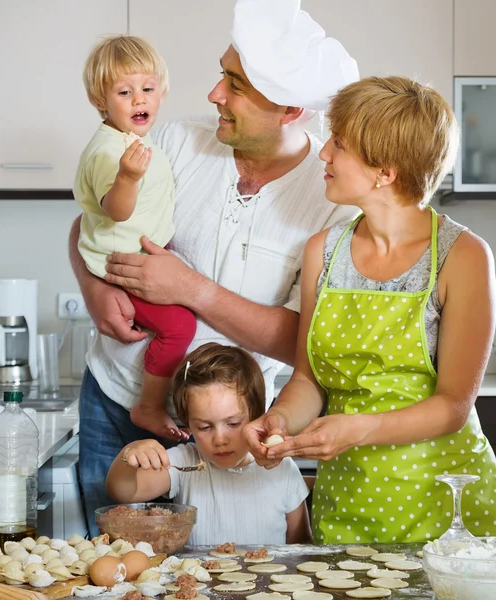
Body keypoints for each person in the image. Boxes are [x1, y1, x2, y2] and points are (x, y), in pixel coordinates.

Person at [70, 0, 359, 536]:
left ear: (290, 110)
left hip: (225, 432)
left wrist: (192, 289)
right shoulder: (178, 141)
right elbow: (96, 218)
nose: (213, 94)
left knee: (225, 574)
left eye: (235, 84)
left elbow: (305, 340)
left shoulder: (333, 199)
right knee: (112, 577)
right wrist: (91, 287)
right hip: (115, 397)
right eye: (221, 74)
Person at [244, 76, 496, 544]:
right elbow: (309, 379)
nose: (323, 152)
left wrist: (357, 429)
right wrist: (281, 420)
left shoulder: (462, 255)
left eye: (340, 144)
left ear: (384, 171)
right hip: (348, 498)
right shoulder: (322, 252)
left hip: (443, 505)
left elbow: (453, 406)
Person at [74, 35, 196, 441]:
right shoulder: (111, 152)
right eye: (124, 92)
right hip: (123, 265)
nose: (138, 99)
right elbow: (117, 210)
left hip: (132, 251)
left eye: (147, 89)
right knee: (179, 326)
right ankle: (149, 406)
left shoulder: (136, 141)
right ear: (100, 100)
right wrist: (127, 177)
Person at [106, 342, 311, 545]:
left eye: (233, 423)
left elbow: (300, 544)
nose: (220, 439)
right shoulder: (185, 462)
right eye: (205, 427)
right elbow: (123, 492)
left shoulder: (281, 468)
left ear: (257, 417)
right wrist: (129, 455)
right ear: (188, 424)